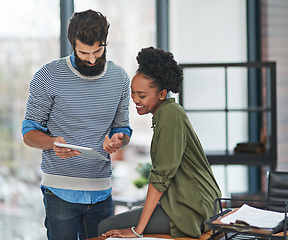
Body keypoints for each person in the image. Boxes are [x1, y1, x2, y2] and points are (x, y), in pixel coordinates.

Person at [21, 9, 132, 240]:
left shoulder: (119, 78)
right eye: (84, 52)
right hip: (60, 192)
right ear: (73, 44)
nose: (92, 59)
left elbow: (123, 129)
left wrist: (118, 141)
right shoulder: (47, 76)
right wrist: (52, 143)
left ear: (105, 43)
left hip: (102, 192)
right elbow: (29, 132)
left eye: (98, 50)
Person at [98, 46, 221, 238]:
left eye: (142, 95)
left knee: (106, 228)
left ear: (162, 94)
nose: (135, 99)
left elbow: (162, 176)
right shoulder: (165, 113)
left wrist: (136, 231)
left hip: (193, 208)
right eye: (133, 92)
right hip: (186, 201)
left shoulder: (170, 115)